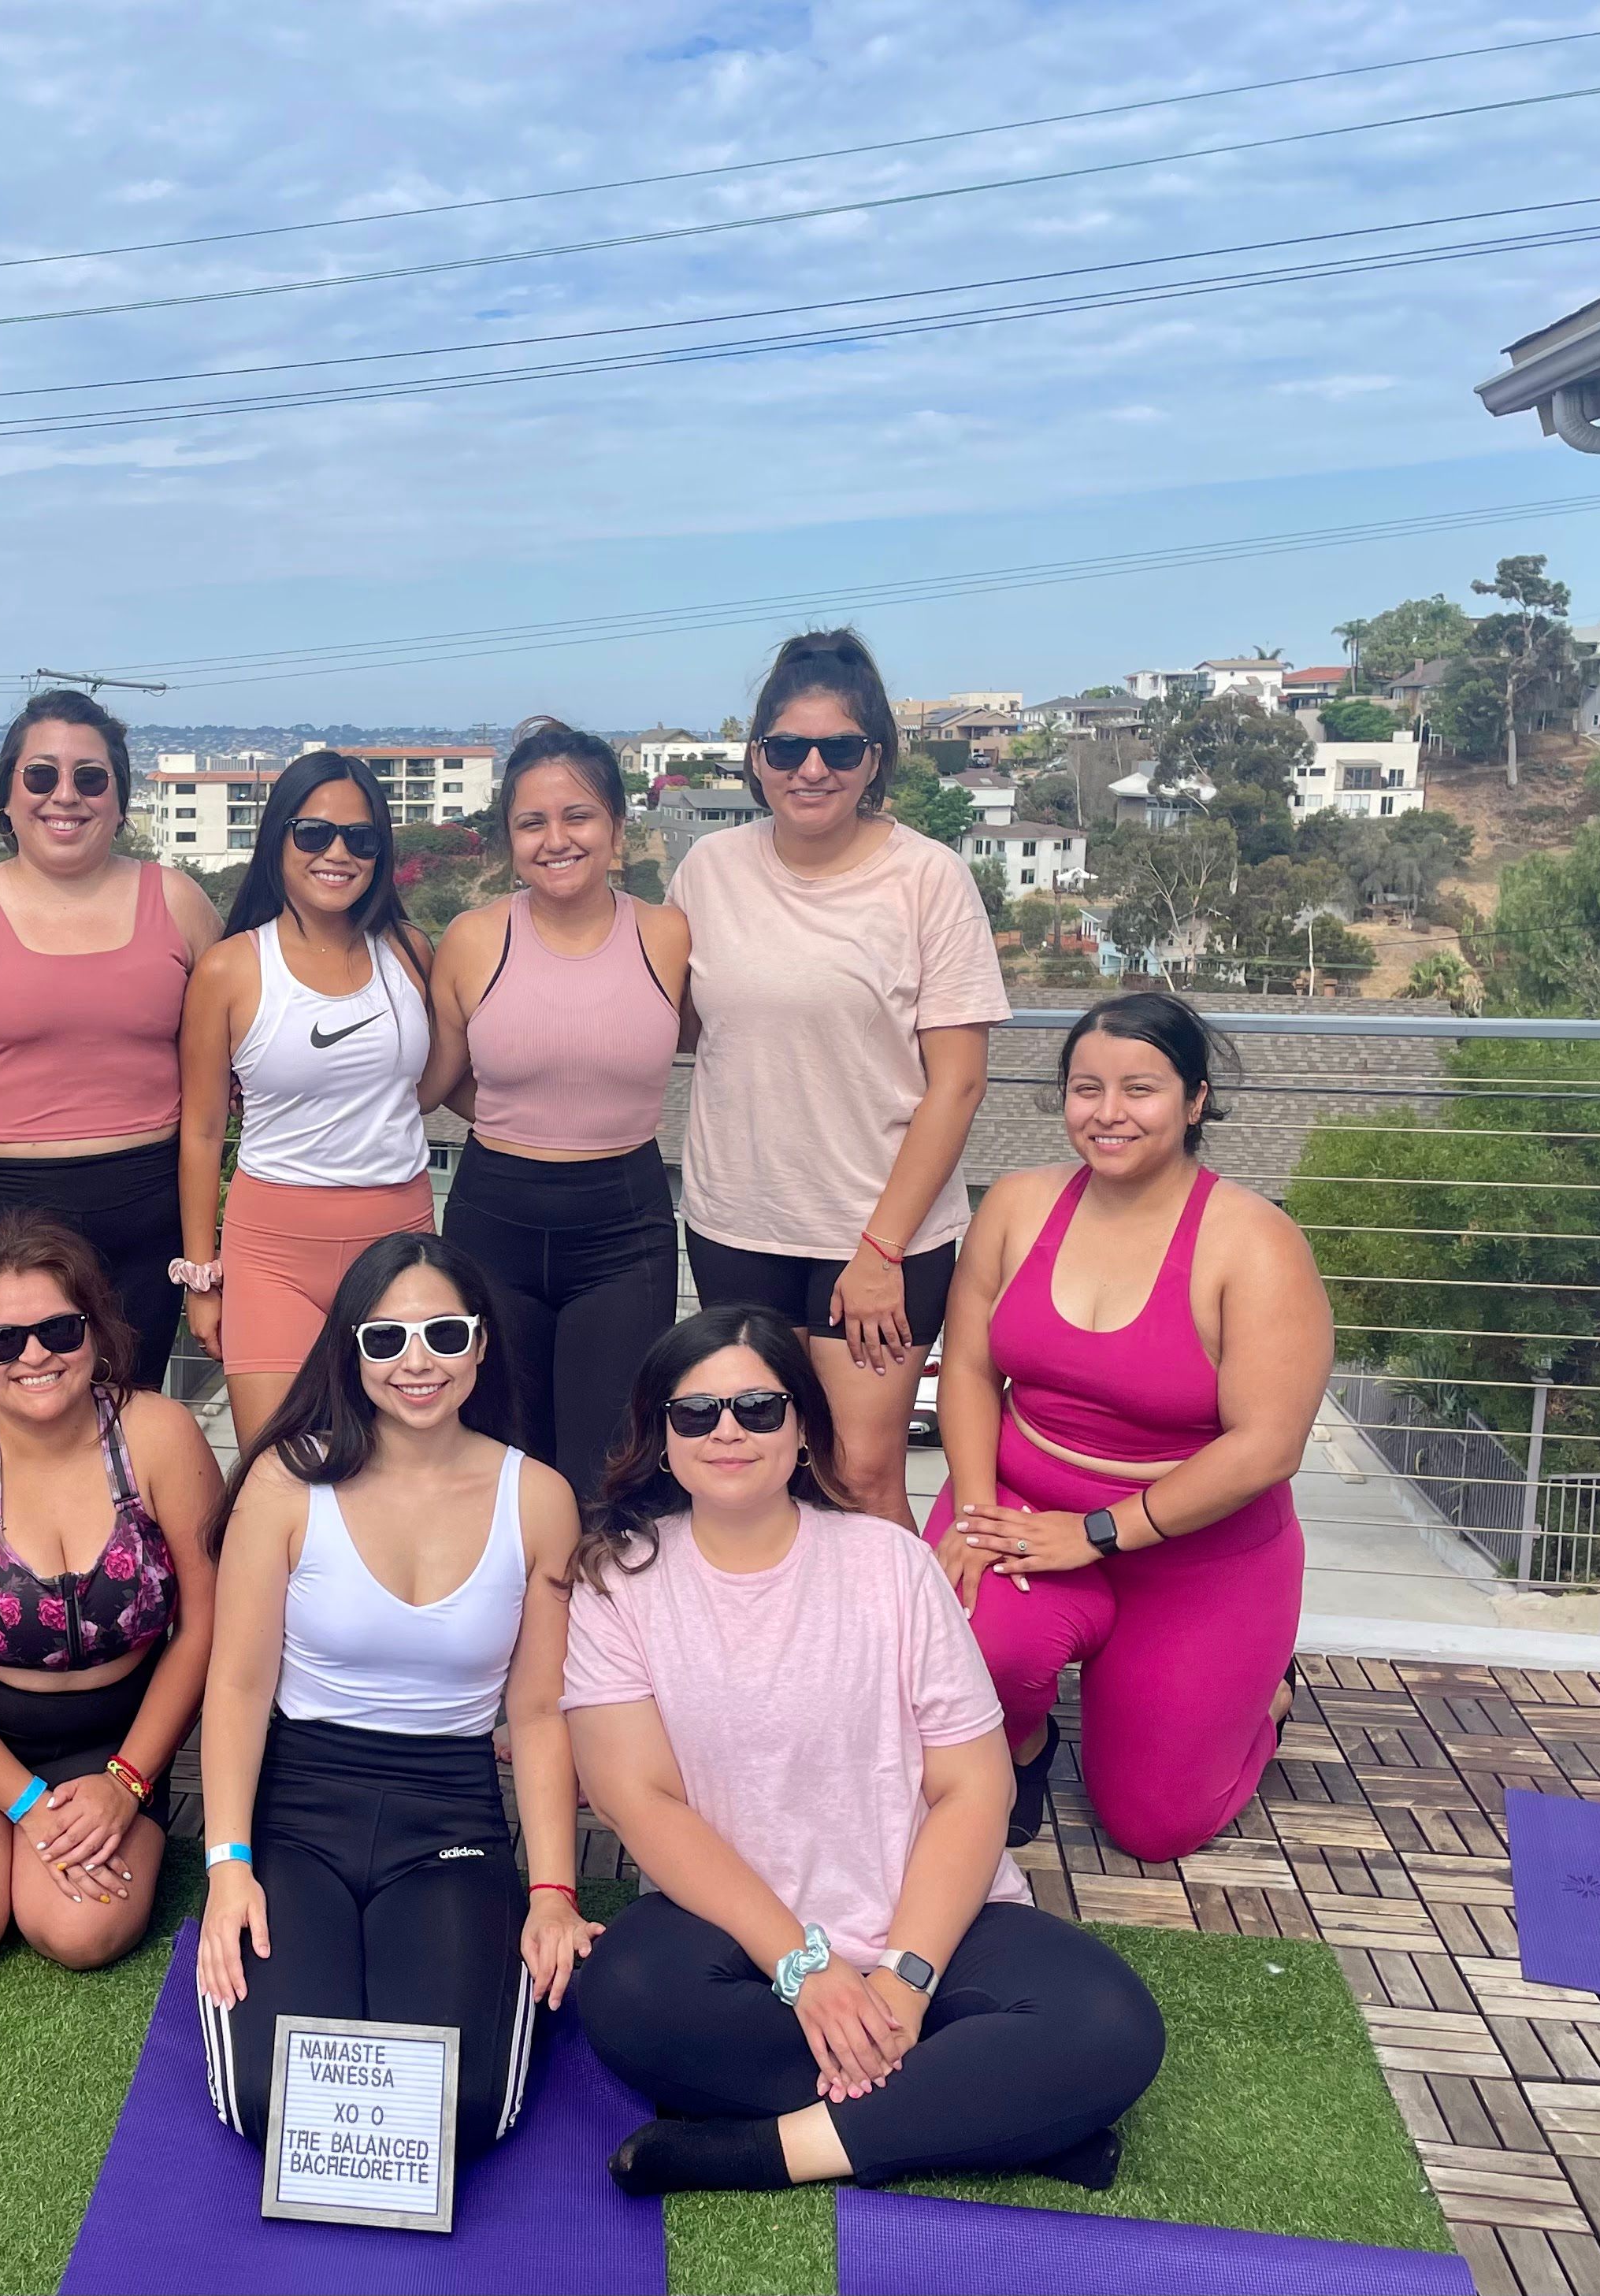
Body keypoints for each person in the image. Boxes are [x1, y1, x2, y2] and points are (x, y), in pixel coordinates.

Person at [562, 1307, 1164, 2198]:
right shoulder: (618, 1582)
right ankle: (999, 2120)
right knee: (628, 1992)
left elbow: (972, 1786)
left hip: (928, 1923)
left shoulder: (889, 1562)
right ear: (659, 1437)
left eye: (758, 1408)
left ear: (802, 1425)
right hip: (736, 1938)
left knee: (1110, 2023)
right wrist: (805, 1970)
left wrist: (906, 1981)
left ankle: (763, 2152)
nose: (726, 1430)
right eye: (694, 1413)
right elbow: (639, 1802)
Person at [195, 1233, 595, 2163]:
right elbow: (239, 1684)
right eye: (386, 1339)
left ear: (482, 1344)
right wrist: (226, 1864)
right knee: (274, 2099)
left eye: (443, 1333)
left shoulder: (537, 1497)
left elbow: (537, 1716)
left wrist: (552, 1892)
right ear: (350, 1348)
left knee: (456, 2105)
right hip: (296, 1813)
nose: (416, 1361)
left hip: (448, 1817)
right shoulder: (285, 1480)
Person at [926, 993, 1331, 1864]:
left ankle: (1263, 1696)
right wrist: (970, 1506)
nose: (1106, 1113)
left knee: (1155, 1827)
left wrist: (1099, 1532)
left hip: (1194, 1552)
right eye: (1085, 1088)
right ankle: (1022, 1746)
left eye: (1138, 1088)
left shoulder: (1255, 1242)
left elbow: (1267, 1443)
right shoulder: (1016, 1203)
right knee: (972, 1645)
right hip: (1023, 1507)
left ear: (1193, 1100)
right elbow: (965, 1368)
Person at [670, 630, 1004, 1528]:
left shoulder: (927, 879)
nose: (810, 768)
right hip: (737, 1222)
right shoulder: (707, 870)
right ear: (754, 758)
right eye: (786, 748)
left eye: (838, 748)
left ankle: (901, 1670)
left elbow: (958, 1084)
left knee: (859, 1477)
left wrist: (879, 1252)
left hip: (878, 1234)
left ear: (874, 760)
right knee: (758, 1472)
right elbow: (668, 1023)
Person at [0, 1213, 221, 1979]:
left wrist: (128, 1780)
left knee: (79, 1933)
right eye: (1, 1340)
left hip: (111, 1735)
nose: (33, 1355)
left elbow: (203, 1629)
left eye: (59, 1329)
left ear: (95, 1328)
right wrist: (26, 1804)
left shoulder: (160, 1437)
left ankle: (21, 1837)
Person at [0, 690, 221, 1382]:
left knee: (128, 1423)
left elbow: (236, 1054)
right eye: (40, 775)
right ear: (6, 795)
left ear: (120, 800)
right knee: (7, 1425)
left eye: (90, 778)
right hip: (1, 1222)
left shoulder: (179, 901)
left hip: (147, 1221)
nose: (65, 796)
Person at [422, 719, 688, 1495]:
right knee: (496, 1457)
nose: (555, 839)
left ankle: (594, 1617)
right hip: (494, 1215)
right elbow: (435, 1081)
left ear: (615, 827)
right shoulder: (472, 938)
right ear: (508, 838)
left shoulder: (666, 935)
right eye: (530, 822)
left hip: (622, 1225)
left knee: (607, 1464)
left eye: (577, 816)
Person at [176, 751, 436, 1450]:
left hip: (399, 1241)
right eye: (313, 833)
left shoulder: (410, 952)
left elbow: (433, 1086)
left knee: (398, 1464)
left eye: (361, 838)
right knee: (280, 1471)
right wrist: (202, 1277)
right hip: (272, 1255)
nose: (338, 853)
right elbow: (201, 1131)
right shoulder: (230, 968)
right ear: (276, 840)